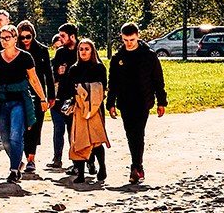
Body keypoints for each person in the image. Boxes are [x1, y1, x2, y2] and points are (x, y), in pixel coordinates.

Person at [0, 25, 49, 184]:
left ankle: (14, 170)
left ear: (15, 39)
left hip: (19, 100)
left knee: (16, 135)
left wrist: (43, 98)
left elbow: (34, 79)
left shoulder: (25, 57)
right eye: (2, 38)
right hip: (1, 101)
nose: (4, 41)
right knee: (5, 138)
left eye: (7, 37)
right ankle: (17, 162)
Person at [107, 22, 166, 185]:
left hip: (143, 101)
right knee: (130, 134)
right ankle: (137, 165)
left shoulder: (149, 55)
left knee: (138, 133)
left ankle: (136, 166)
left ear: (138, 36)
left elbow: (158, 80)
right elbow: (113, 82)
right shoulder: (118, 58)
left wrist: (162, 101)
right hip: (125, 102)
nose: (129, 43)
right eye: (125, 40)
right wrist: (110, 103)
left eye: (131, 39)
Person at [67, 39, 109, 184]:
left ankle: (102, 166)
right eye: (81, 49)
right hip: (79, 108)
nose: (84, 52)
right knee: (79, 140)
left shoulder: (99, 68)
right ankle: (81, 173)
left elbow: (103, 86)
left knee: (96, 140)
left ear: (92, 51)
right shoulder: (74, 69)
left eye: (87, 49)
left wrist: (86, 90)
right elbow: (69, 87)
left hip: (95, 108)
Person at [17, 20, 53, 177]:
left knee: (36, 125)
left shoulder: (42, 50)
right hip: (20, 92)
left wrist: (50, 96)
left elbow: (48, 75)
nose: (25, 39)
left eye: (28, 36)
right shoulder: (15, 51)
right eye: (22, 37)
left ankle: (32, 158)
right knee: (23, 126)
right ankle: (23, 157)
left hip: (38, 94)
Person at [47, 23, 80, 170]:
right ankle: (57, 158)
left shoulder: (83, 50)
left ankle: (77, 162)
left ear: (72, 36)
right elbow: (52, 75)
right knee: (58, 128)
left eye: (63, 36)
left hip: (76, 98)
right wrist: (58, 73)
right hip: (60, 97)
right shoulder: (60, 52)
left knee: (74, 131)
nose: (60, 39)